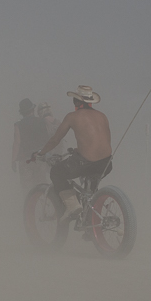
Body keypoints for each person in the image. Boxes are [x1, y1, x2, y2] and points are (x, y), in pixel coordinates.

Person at [34, 86, 112, 222]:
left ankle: (72, 205)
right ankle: (90, 223)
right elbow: (105, 141)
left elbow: (55, 140)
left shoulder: (72, 116)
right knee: (90, 193)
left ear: (77, 102)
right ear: (91, 102)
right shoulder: (102, 116)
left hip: (85, 163)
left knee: (56, 172)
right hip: (106, 163)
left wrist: (41, 153)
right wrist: (80, 150)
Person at [12, 98, 50, 191]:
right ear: (33, 109)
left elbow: (17, 143)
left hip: (25, 160)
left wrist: (13, 160)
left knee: (27, 188)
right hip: (40, 157)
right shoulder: (41, 121)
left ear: (22, 112)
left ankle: (29, 204)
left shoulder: (18, 125)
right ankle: (44, 204)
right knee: (42, 184)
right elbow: (47, 140)